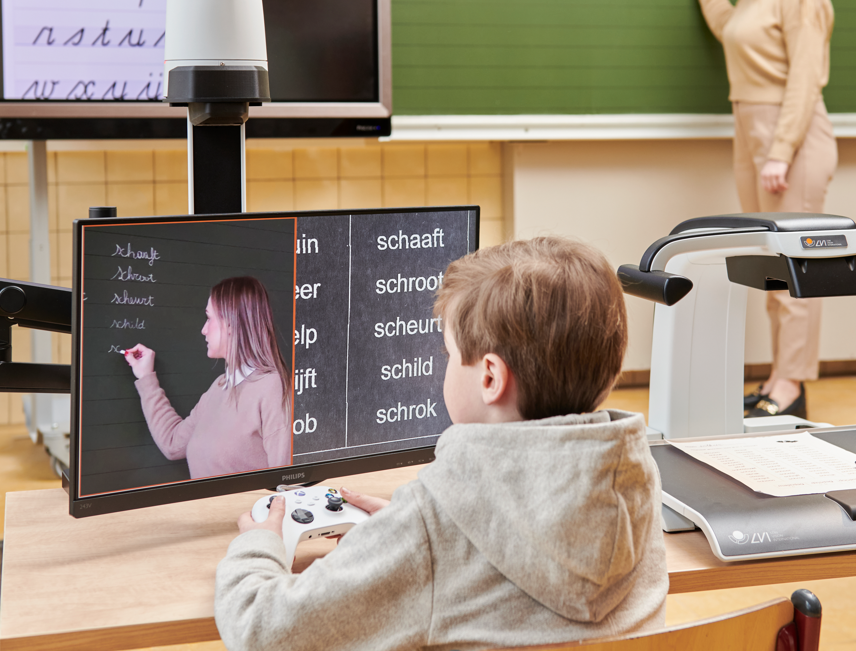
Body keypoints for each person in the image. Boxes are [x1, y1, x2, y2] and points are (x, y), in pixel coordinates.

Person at [213, 237, 667, 651]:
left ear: (490, 377)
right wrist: (407, 527)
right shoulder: (633, 482)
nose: (443, 367)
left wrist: (258, 548)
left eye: (448, 353)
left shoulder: (431, 528)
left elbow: (262, 631)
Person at [678, 0, 837, 419]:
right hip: (751, 130)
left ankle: (791, 383)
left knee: (797, 266)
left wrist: (781, 151)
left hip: (788, 138)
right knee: (773, 266)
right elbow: (728, 28)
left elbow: (805, 79)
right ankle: (780, 377)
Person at [124, 275, 293, 478]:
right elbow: (172, 444)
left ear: (230, 323)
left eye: (209, 317)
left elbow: (285, 483)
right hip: (204, 510)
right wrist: (146, 377)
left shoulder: (273, 387)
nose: (204, 330)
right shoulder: (219, 388)